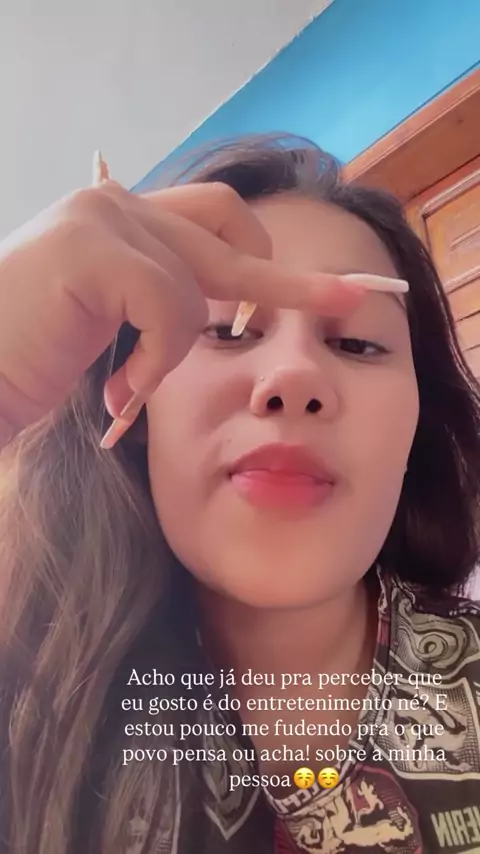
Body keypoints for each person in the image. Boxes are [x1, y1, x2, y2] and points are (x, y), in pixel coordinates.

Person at [0, 134, 479, 854]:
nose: (292, 375)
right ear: (134, 402)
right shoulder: (27, 691)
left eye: (356, 344)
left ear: (418, 422)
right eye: (226, 330)